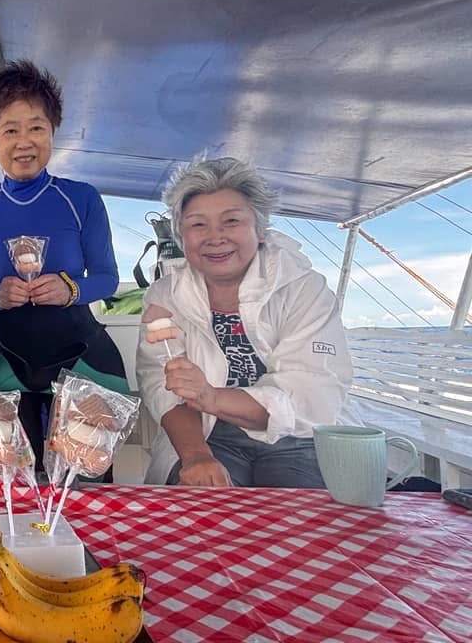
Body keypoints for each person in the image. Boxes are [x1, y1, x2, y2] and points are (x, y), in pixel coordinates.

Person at [136, 157, 353, 488]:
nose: (215, 237)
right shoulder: (165, 296)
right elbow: (161, 386)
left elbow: (310, 391)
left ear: (260, 230)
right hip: (209, 434)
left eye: (231, 221)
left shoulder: (303, 289)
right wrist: (196, 456)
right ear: (181, 236)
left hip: (298, 435)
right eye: (198, 225)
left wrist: (211, 396)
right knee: (202, 508)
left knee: (296, 511)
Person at [0, 60, 129, 470]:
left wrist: (71, 289)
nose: (24, 142)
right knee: (12, 478)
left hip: (76, 350)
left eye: (36, 127)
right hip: (3, 356)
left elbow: (107, 278)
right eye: (10, 130)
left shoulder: (81, 199)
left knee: (84, 475)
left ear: (53, 131)